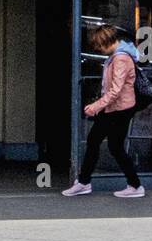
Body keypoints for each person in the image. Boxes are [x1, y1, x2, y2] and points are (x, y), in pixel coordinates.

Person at [62, 24, 144, 199]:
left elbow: (116, 90)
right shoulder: (119, 55)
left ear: (107, 42)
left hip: (119, 109)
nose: (99, 49)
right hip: (115, 108)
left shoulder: (121, 58)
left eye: (99, 45)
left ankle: (134, 185)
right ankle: (85, 182)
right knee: (100, 143)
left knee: (112, 146)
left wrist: (96, 106)